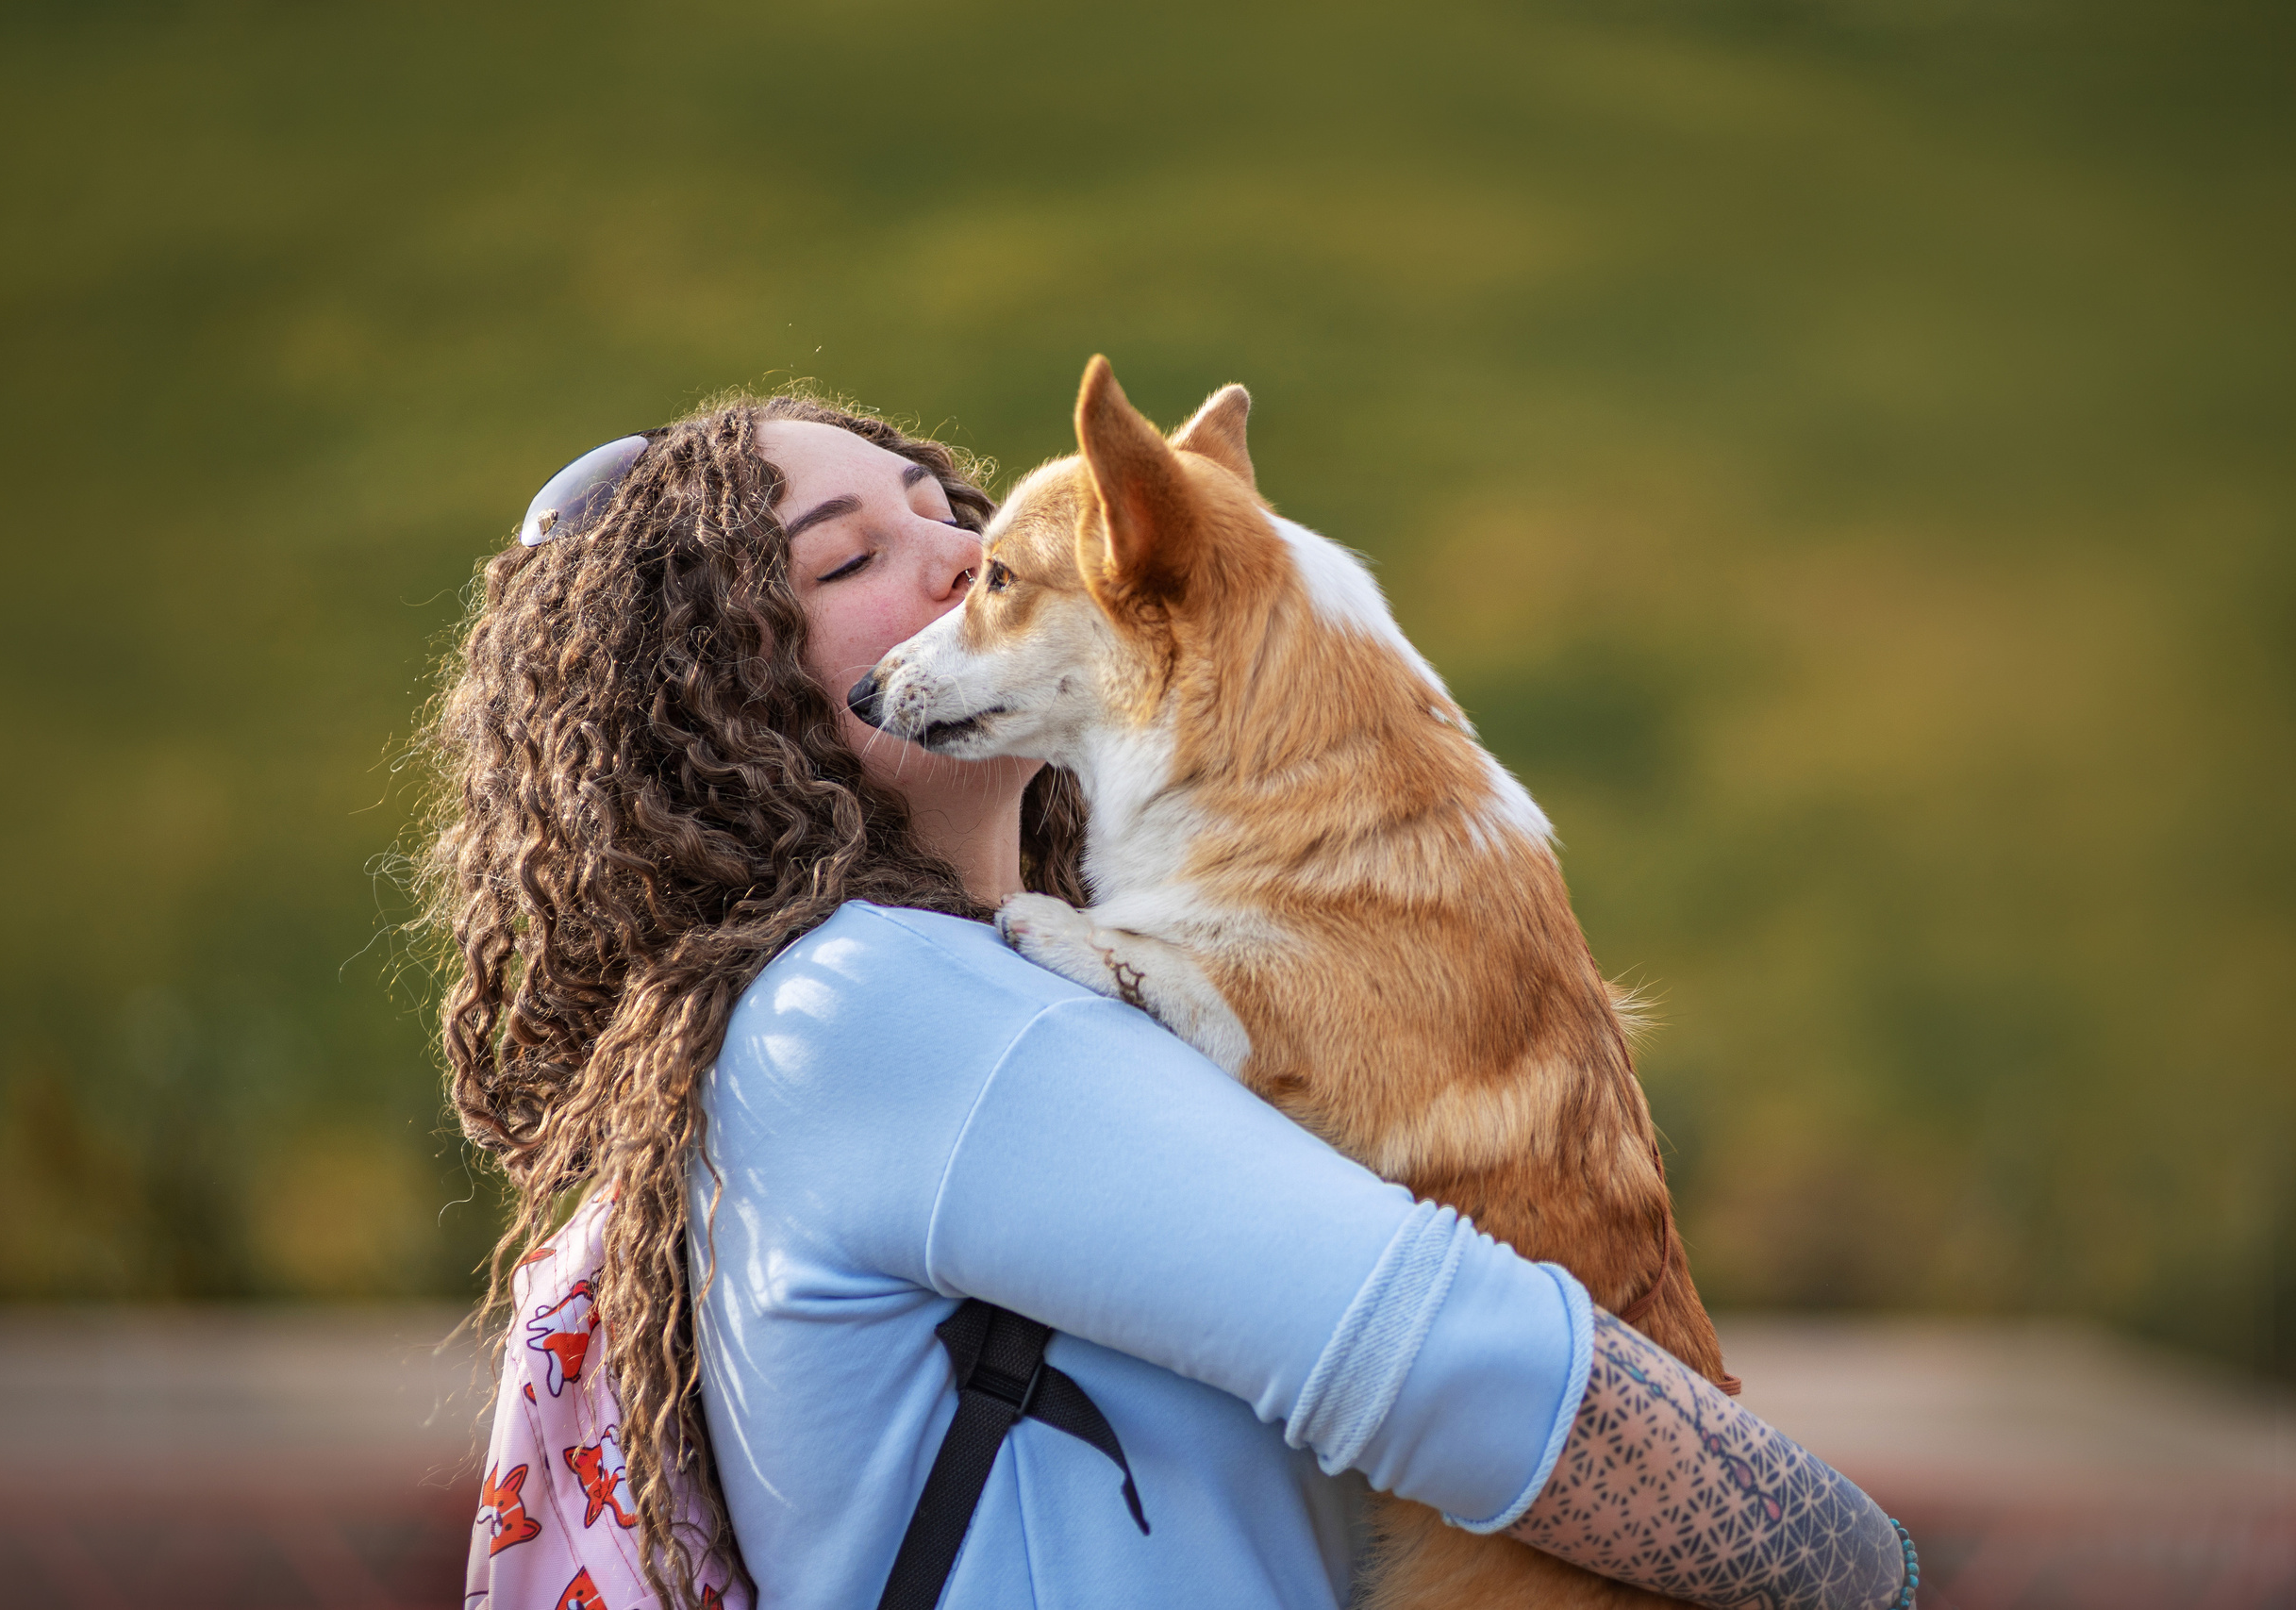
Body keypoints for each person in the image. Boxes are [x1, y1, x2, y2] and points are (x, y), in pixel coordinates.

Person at [428, 394, 1918, 1610]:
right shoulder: (879, 1009)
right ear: (716, 707)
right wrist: (1865, 1570)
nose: (963, 554)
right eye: (845, 558)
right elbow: (1457, 1359)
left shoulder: (994, 988)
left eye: (944, 507)